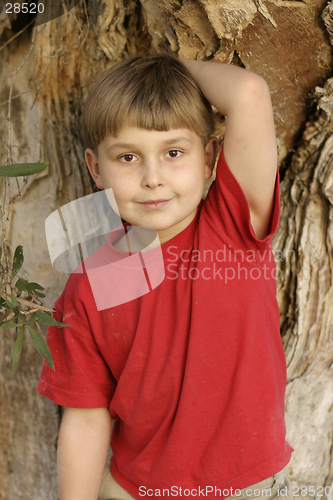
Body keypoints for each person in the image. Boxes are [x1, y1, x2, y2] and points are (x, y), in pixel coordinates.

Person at [37, 53, 293, 500]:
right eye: (129, 157)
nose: (153, 178)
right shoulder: (89, 287)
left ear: (209, 157)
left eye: (174, 153)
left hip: (246, 488)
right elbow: (85, 418)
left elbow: (249, 93)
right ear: (96, 168)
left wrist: (169, 62)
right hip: (137, 490)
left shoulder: (233, 227)